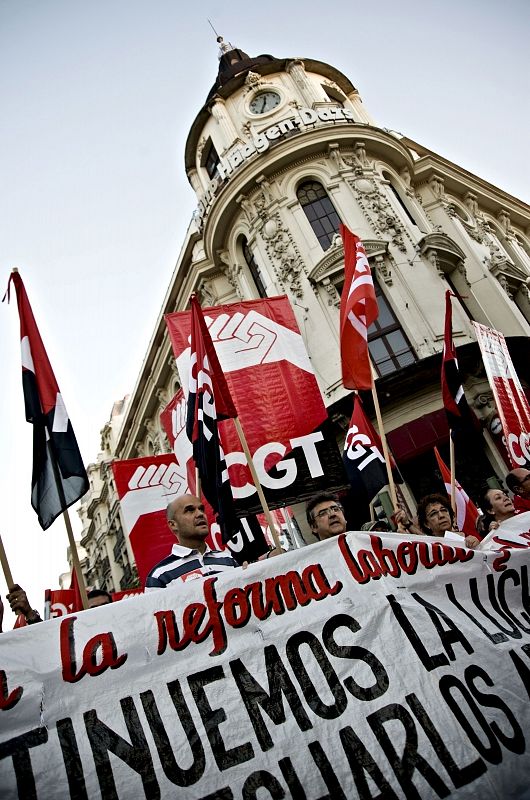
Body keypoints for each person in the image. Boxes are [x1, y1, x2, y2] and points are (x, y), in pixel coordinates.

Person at [145, 494, 240, 590]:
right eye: (190, 510)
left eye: (201, 509)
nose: (200, 514)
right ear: (173, 525)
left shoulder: (228, 560)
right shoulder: (159, 576)